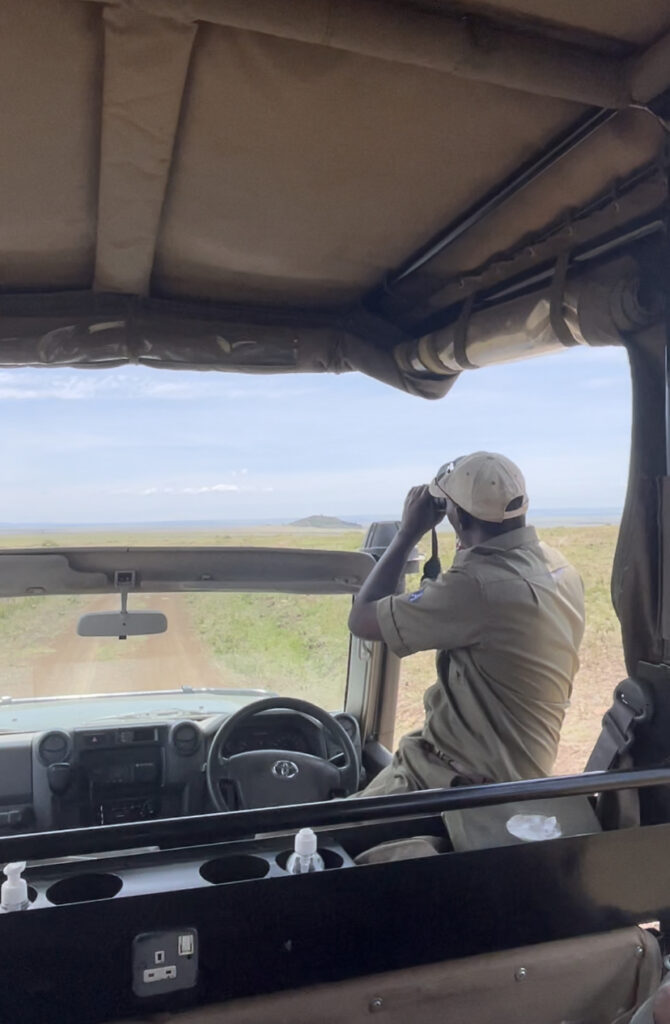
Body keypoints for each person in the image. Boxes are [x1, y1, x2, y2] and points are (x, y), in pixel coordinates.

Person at [348, 451, 585, 795]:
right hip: (508, 770)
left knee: (325, 835)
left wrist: (408, 534)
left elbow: (362, 619)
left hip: (452, 781)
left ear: (456, 514)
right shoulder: (558, 566)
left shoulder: (477, 587)